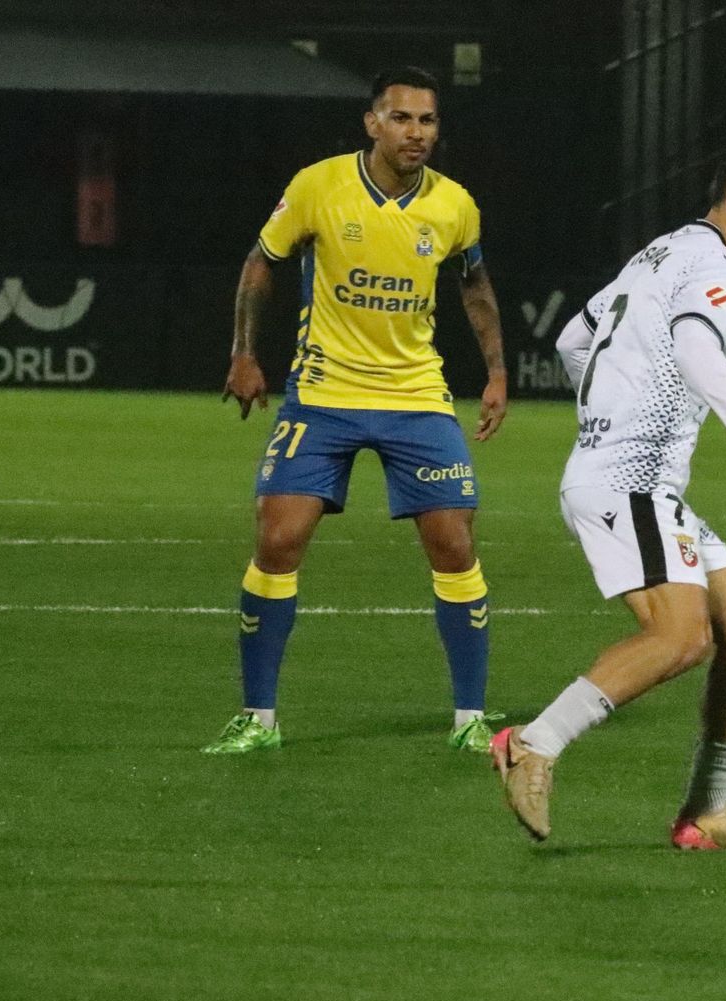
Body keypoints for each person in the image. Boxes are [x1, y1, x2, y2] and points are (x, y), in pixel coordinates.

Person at [491, 138, 726, 847]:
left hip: (634, 480)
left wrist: (610, 408)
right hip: (627, 480)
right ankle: (534, 743)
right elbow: (697, 347)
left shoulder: (662, 252)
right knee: (680, 635)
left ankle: (705, 809)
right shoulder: (717, 265)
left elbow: (575, 339)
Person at [208, 67, 511, 755]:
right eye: (402, 119)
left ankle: (470, 721)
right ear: (373, 123)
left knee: (454, 542)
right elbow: (262, 261)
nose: (416, 133)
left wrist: (495, 371)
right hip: (323, 394)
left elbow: (477, 287)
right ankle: (258, 719)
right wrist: (243, 353)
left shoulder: (454, 205)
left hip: (416, 398)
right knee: (277, 539)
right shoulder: (319, 184)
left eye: (428, 122)